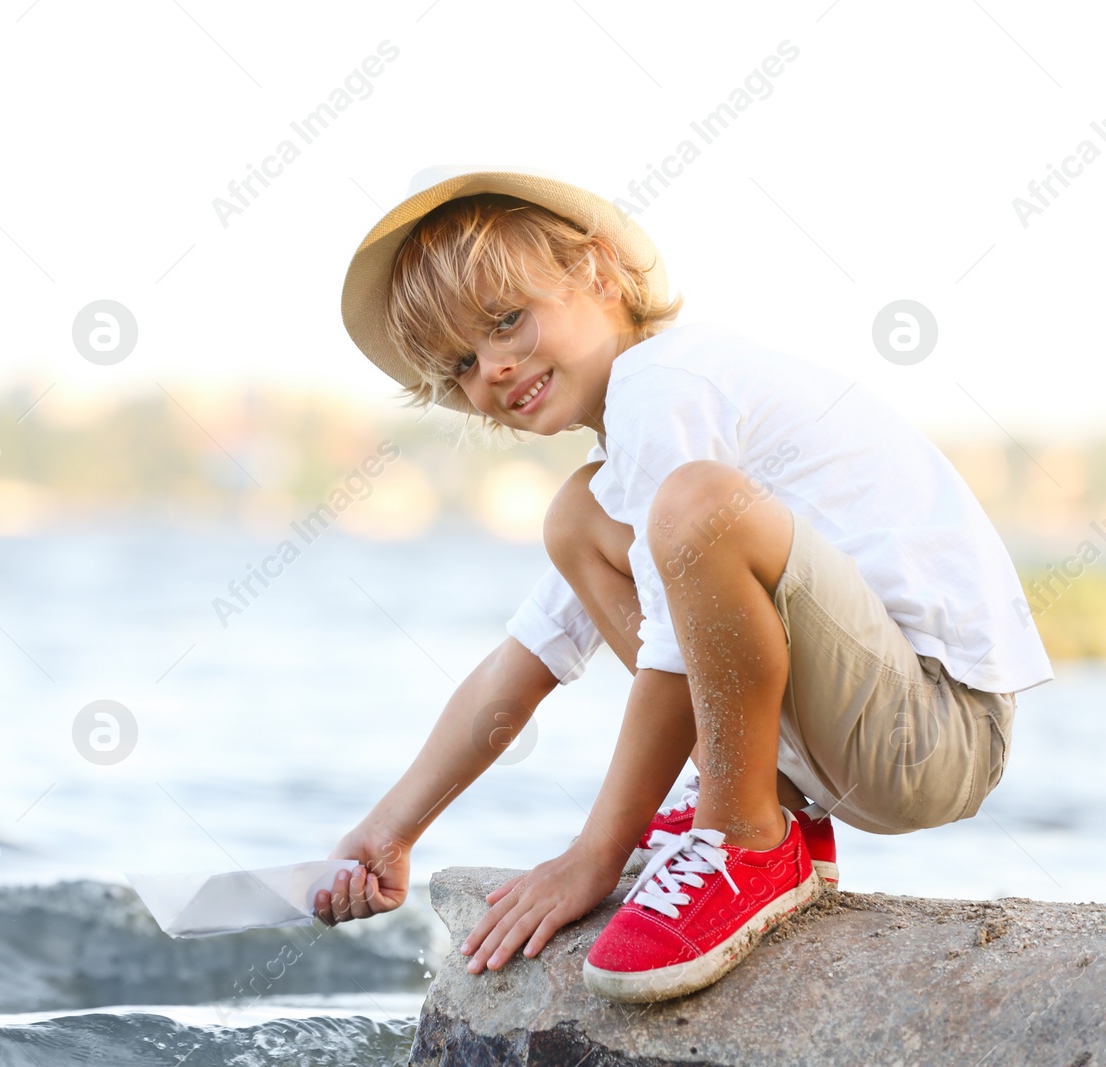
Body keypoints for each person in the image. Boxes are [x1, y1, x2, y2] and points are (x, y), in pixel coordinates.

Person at [313, 164, 1053, 1002]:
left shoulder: (663, 384)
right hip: (861, 731)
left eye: (509, 320)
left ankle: (742, 835)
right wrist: (391, 829)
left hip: (935, 728)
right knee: (576, 518)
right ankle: (768, 810)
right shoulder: (623, 460)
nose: (496, 367)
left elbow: (671, 642)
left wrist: (594, 853)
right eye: (462, 363)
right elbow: (527, 656)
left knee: (700, 507)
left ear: (597, 271)